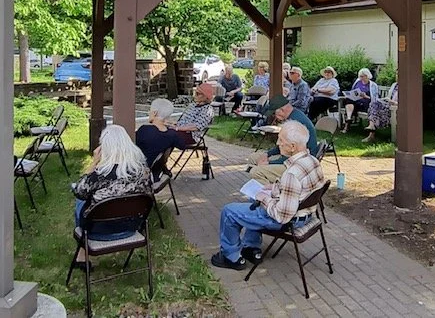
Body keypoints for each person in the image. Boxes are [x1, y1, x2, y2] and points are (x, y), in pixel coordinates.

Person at [210, 120, 325, 270]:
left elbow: (281, 216)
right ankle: (251, 248)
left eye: (281, 140)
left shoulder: (291, 174)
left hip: (290, 221)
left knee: (229, 211)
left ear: (292, 147)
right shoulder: (313, 161)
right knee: (253, 198)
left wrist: (265, 199)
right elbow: (299, 190)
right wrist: (275, 187)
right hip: (305, 214)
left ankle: (230, 257)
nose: (278, 143)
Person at [73, 125, 152, 267]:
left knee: (81, 198)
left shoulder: (98, 176)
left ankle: (82, 256)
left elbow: (79, 191)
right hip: (131, 228)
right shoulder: (144, 172)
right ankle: (81, 255)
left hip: (96, 231)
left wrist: (94, 162)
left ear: (104, 147)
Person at [247, 95, 317, 184]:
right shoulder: (294, 115)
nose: (274, 117)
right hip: (291, 157)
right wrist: (267, 154)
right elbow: (284, 147)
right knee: (253, 157)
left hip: (298, 164)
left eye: (274, 113)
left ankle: (271, 190)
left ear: (281, 110)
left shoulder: (295, 122)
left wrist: (269, 163)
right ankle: (257, 186)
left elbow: (293, 156)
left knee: (256, 171)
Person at [136, 98, 187, 179]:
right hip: (156, 173)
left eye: (150, 111)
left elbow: (133, 146)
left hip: (139, 171)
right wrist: (171, 127)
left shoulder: (144, 130)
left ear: (155, 113)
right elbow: (182, 146)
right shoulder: (172, 134)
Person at [342, 68, 378, 133]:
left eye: (362, 76)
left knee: (352, 102)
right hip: (357, 102)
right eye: (360, 76)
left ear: (367, 76)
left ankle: (347, 125)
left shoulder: (373, 85)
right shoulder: (357, 82)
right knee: (348, 99)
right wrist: (349, 95)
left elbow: (375, 99)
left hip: (366, 104)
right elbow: (352, 91)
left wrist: (365, 96)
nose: (361, 78)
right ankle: (349, 118)